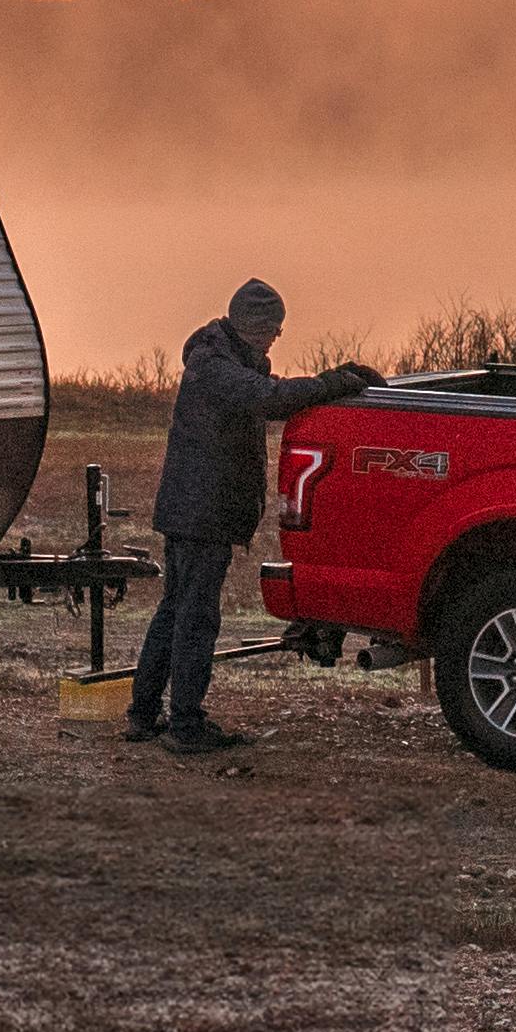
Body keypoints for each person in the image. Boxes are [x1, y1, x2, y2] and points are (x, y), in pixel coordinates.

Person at [131, 277, 367, 753]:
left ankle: (143, 715)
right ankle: (185, 725)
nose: (275, 337)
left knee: (175, 610)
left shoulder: (219, 359)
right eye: (272, 329)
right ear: (251, 326)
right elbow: (268, 397)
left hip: (193, 510)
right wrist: (331, 383)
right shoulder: (213, 364)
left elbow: (266, 393)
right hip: (201, 512)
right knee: (195, 618)